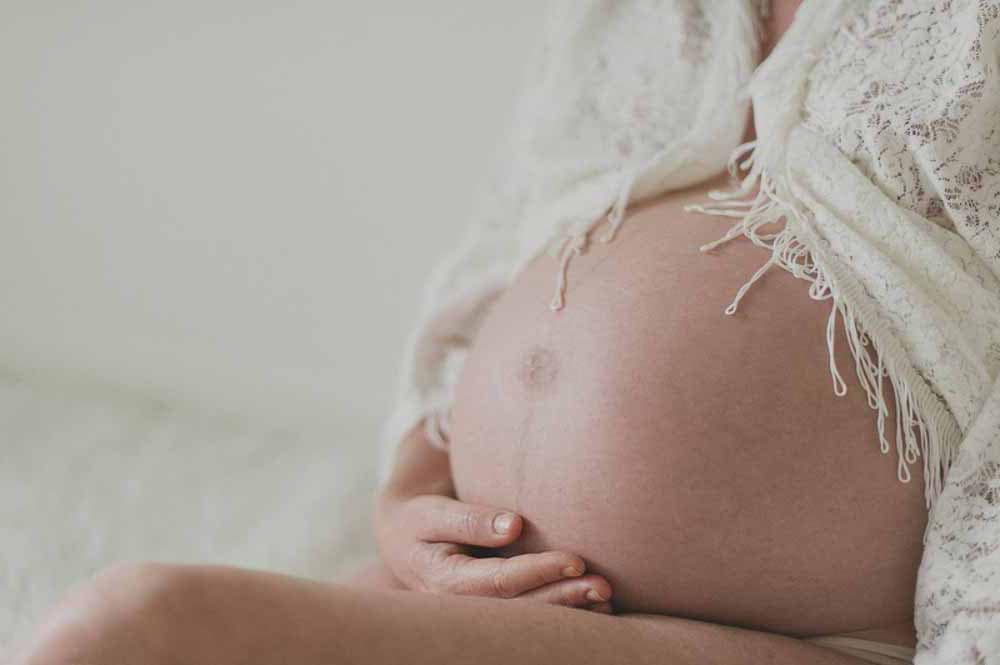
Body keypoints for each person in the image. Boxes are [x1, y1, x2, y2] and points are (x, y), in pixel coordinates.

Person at [14, 1, 1000, 664]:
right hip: (505, 596)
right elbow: (503, 242)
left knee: (140, 630)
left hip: (800, 637)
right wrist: (406, 498)